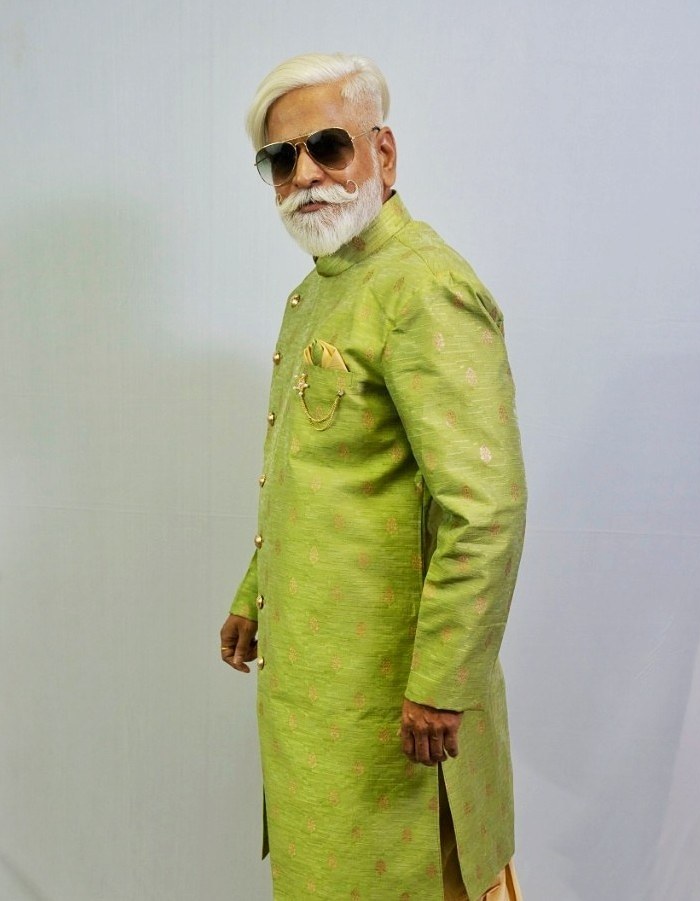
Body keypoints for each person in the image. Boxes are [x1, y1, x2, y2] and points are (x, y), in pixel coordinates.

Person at [220, 52, 526, 901]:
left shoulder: (422, 287)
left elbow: (485, 508)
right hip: (315, 693)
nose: (304, 175)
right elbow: (312, 476)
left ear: (382, 152)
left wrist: (443, 683)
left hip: (395, 701)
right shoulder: (321, 289)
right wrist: (254, 593)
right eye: (280, 159)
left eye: (327, 146)